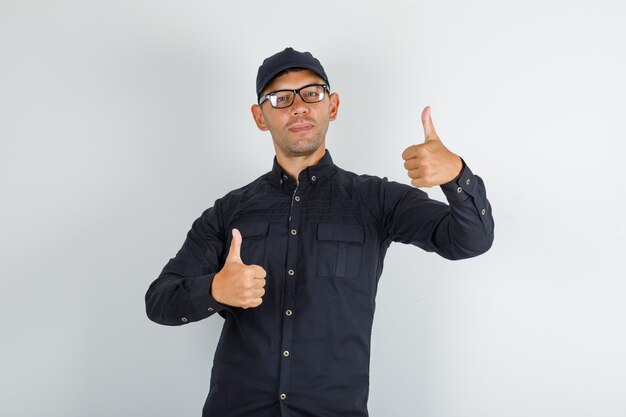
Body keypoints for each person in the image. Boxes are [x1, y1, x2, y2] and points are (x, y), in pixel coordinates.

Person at [145, 47, 494, 417]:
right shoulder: (229, 211)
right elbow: (160, 302)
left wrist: (456, 176)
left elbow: (469, 240)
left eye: (311, 94)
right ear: (260, 117)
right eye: (280, 99)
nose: (298, 107)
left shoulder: (377, 199)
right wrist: (216, 289)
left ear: (333, 106)